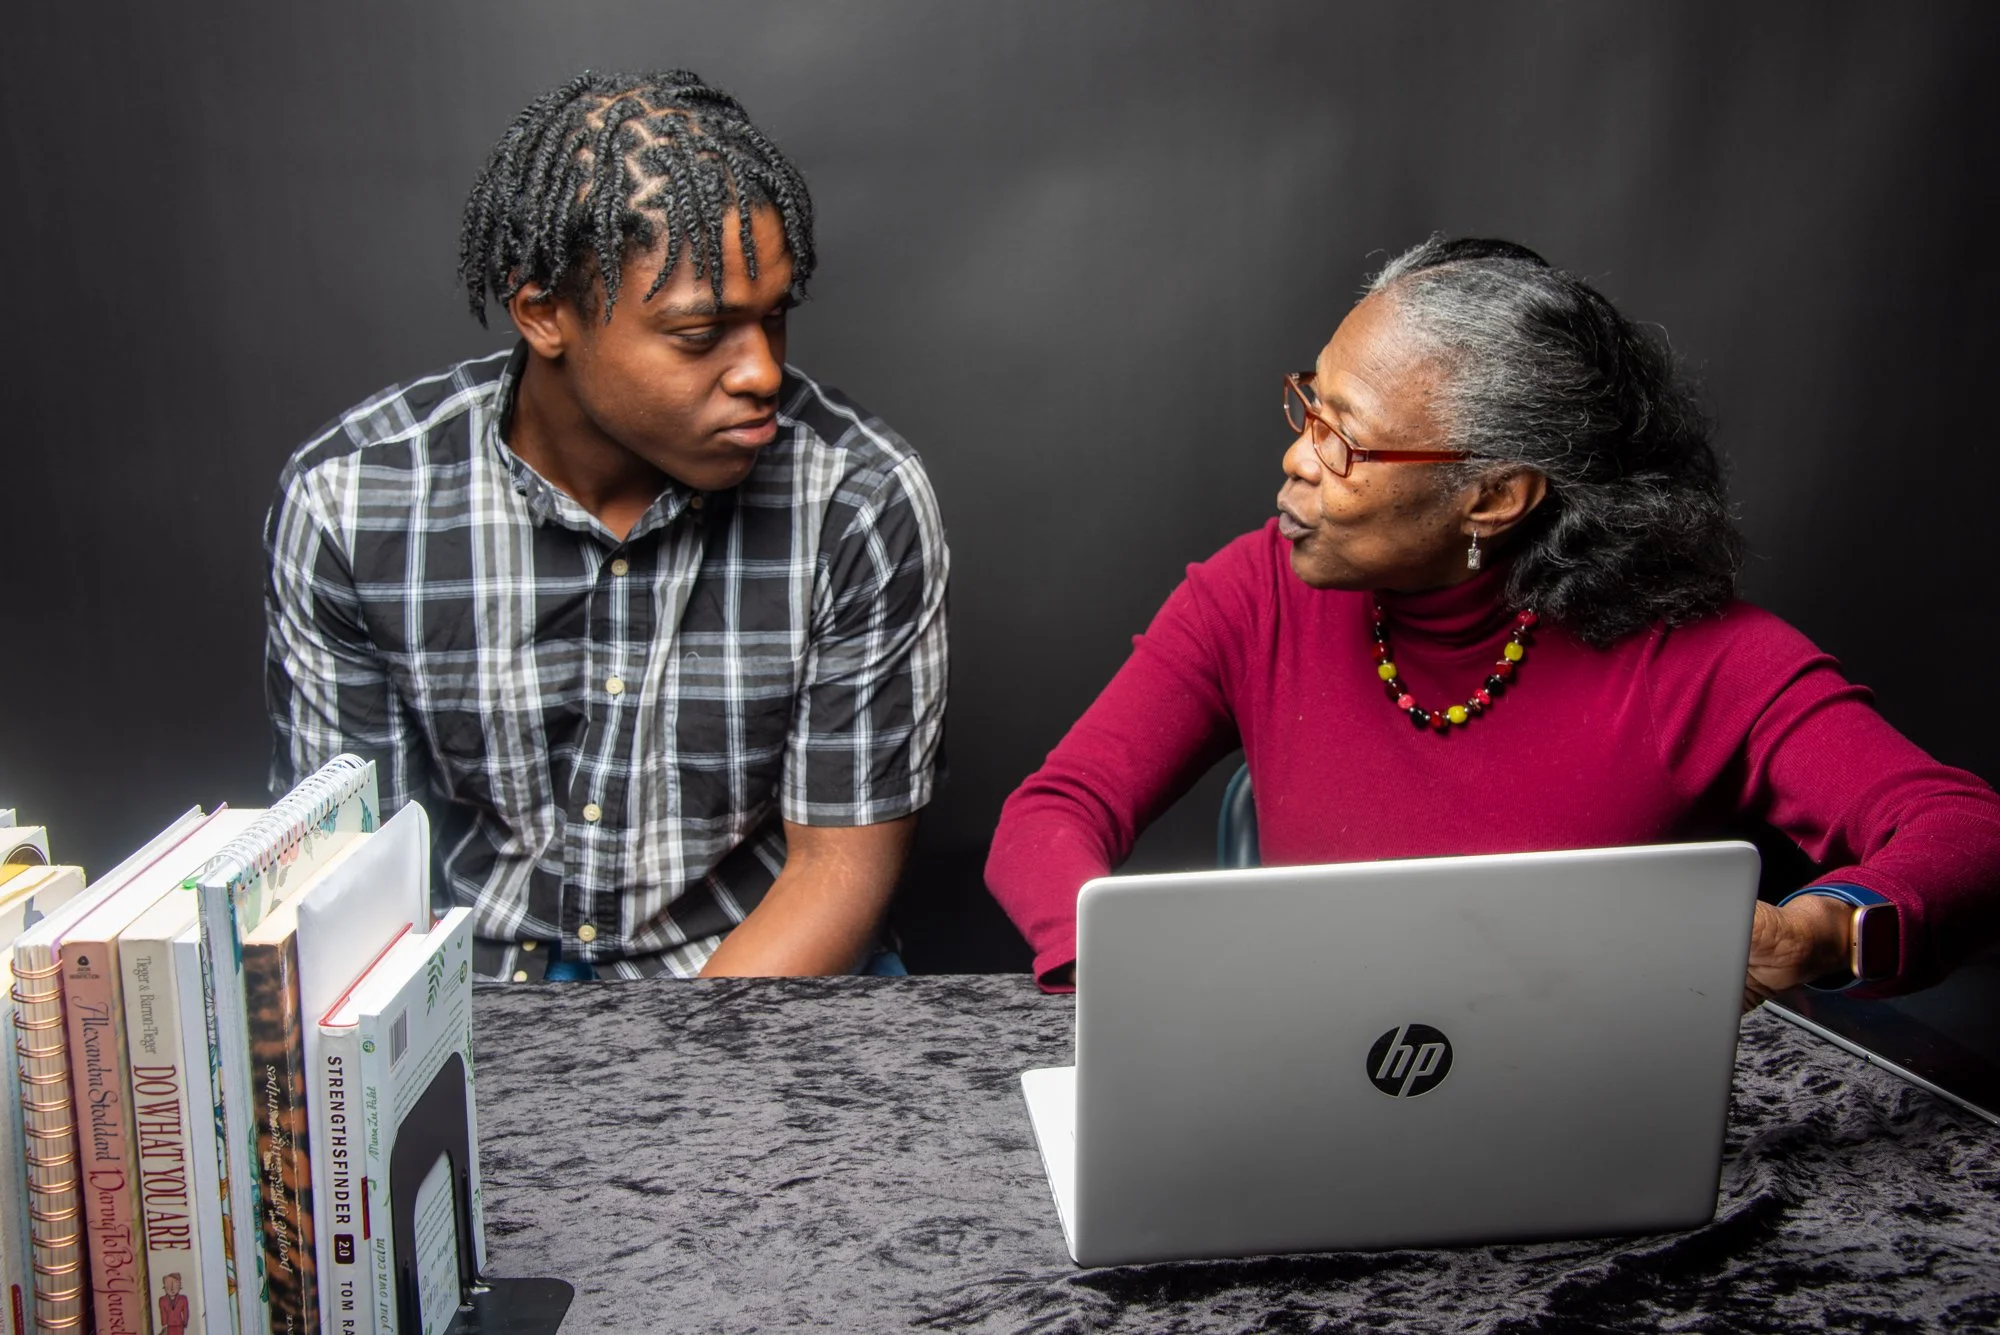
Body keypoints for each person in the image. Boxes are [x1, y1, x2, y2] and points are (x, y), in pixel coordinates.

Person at [985, 237, 2000, 1002]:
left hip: (1590, 1136)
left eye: (1345, 441)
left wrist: (1822, 931)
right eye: (1309, 408)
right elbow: (1049, 814)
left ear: (1492, 498)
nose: (1297, 458)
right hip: (1307, 1105)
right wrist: (1124, 979)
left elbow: (1966, 832)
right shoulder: (1253, 595)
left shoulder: (1698, 659)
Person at [266, 70, 948, 981]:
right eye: (702, 334)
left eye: (775, 318)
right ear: (544, 314)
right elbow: (354, 887)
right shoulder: (352, 505)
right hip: (475, 995)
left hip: (761, 984)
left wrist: (655, 1095)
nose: (761, 373)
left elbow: (838, 872)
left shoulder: (858, 501)